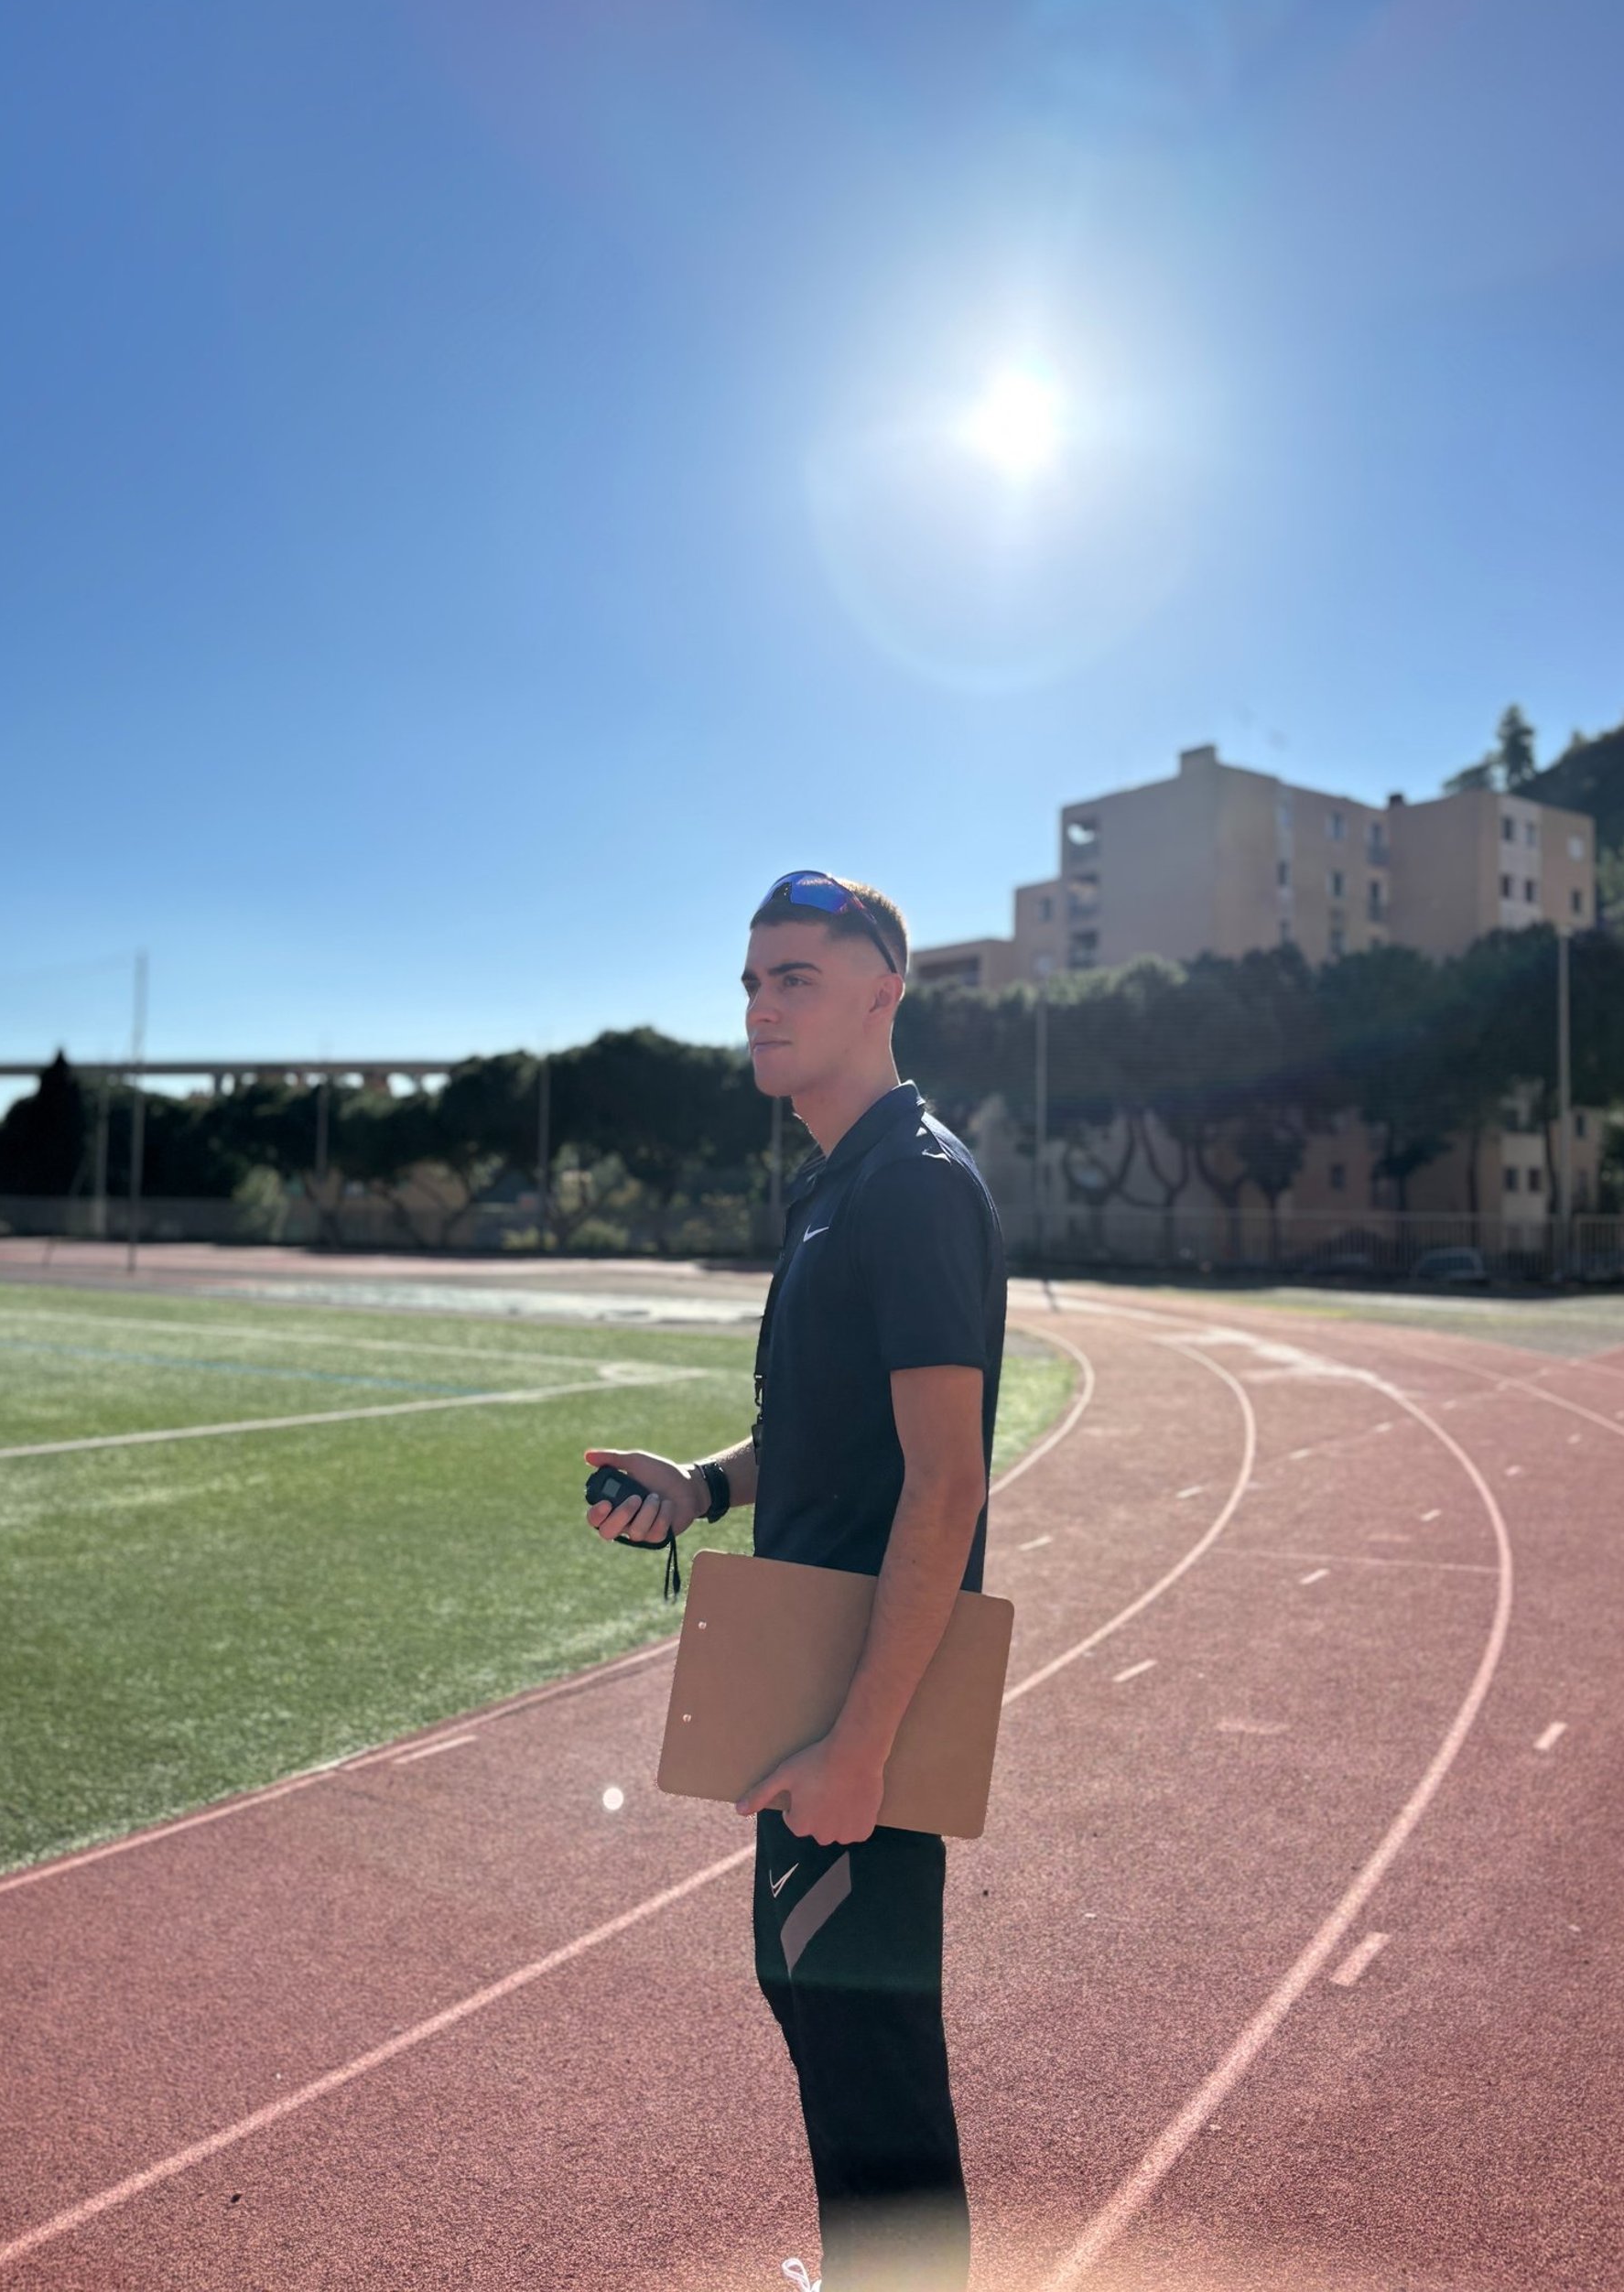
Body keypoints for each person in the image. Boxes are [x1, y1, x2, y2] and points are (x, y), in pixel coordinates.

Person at [583, 870, 1007, 2292]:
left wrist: (863, 1748)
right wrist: (702, 1490)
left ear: (884, 992)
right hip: (806, 1678)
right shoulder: (837, 1183)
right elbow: (826, 1431)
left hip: (860, 1699)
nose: (762, 1007)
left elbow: (946, 1480)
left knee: (868, 2038)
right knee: (810, 1994)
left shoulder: (917, 1185)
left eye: (796, 979)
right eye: (752, 982)